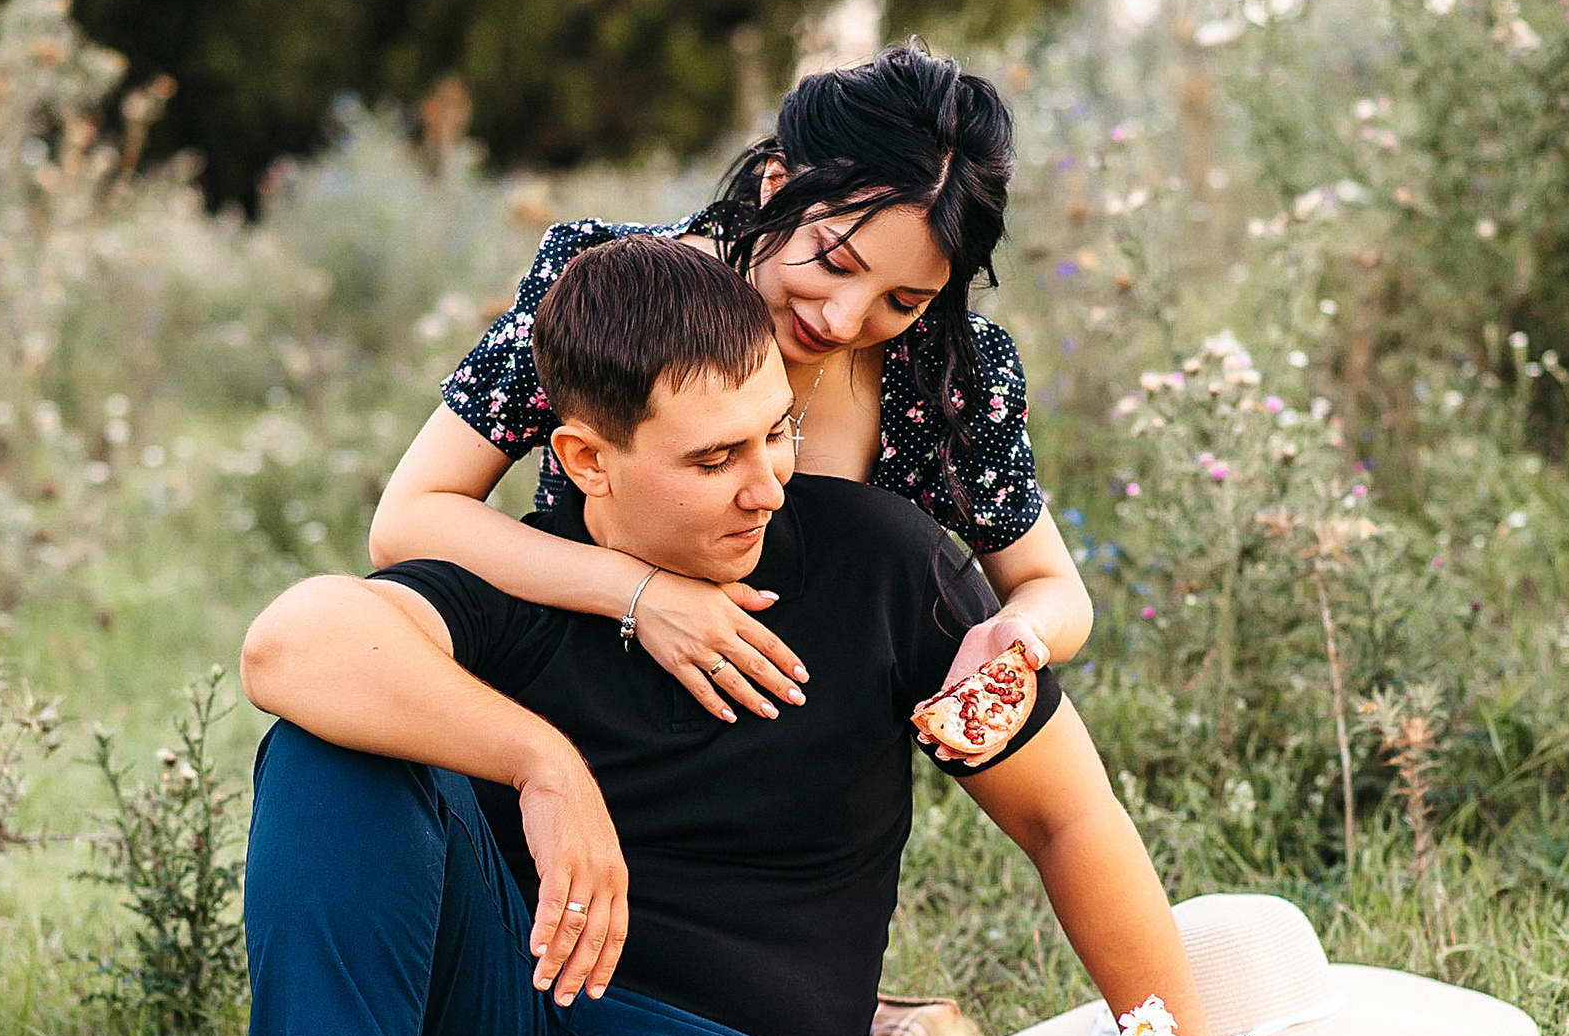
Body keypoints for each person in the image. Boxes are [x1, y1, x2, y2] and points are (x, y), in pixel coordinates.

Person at [122, 237, 1197, 1036]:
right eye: (716, 456)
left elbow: (1066, 818)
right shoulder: (521, 578)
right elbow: (288, 644)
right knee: (331, 749)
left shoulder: (887, 570)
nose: (766, 481)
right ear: (586, 457)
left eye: (776, 429)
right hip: (504, 1022)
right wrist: (543, 761)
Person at [368, 42, 1091, 758]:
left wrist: (1020, 632)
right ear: (777, 184)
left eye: (902, 299)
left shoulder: (945, 370)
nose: (841, 320)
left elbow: (1051, 586)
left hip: (803, 770)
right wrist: (640, 593)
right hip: (576, 716)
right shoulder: (610, 290)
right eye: (835, 259)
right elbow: (410, 517)